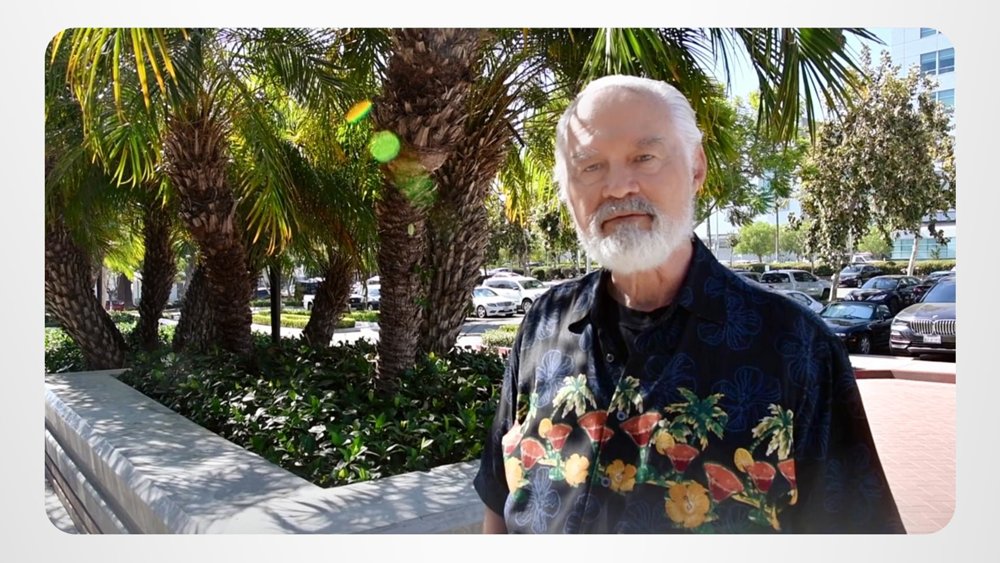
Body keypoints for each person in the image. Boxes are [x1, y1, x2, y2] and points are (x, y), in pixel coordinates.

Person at [472, 74, 904, 534]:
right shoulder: (543, 324)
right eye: (590, 166)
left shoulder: (796, 346)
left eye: (644, 157)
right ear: (567, 190)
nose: (618, 187)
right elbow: (500, 500)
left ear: (696, 168)